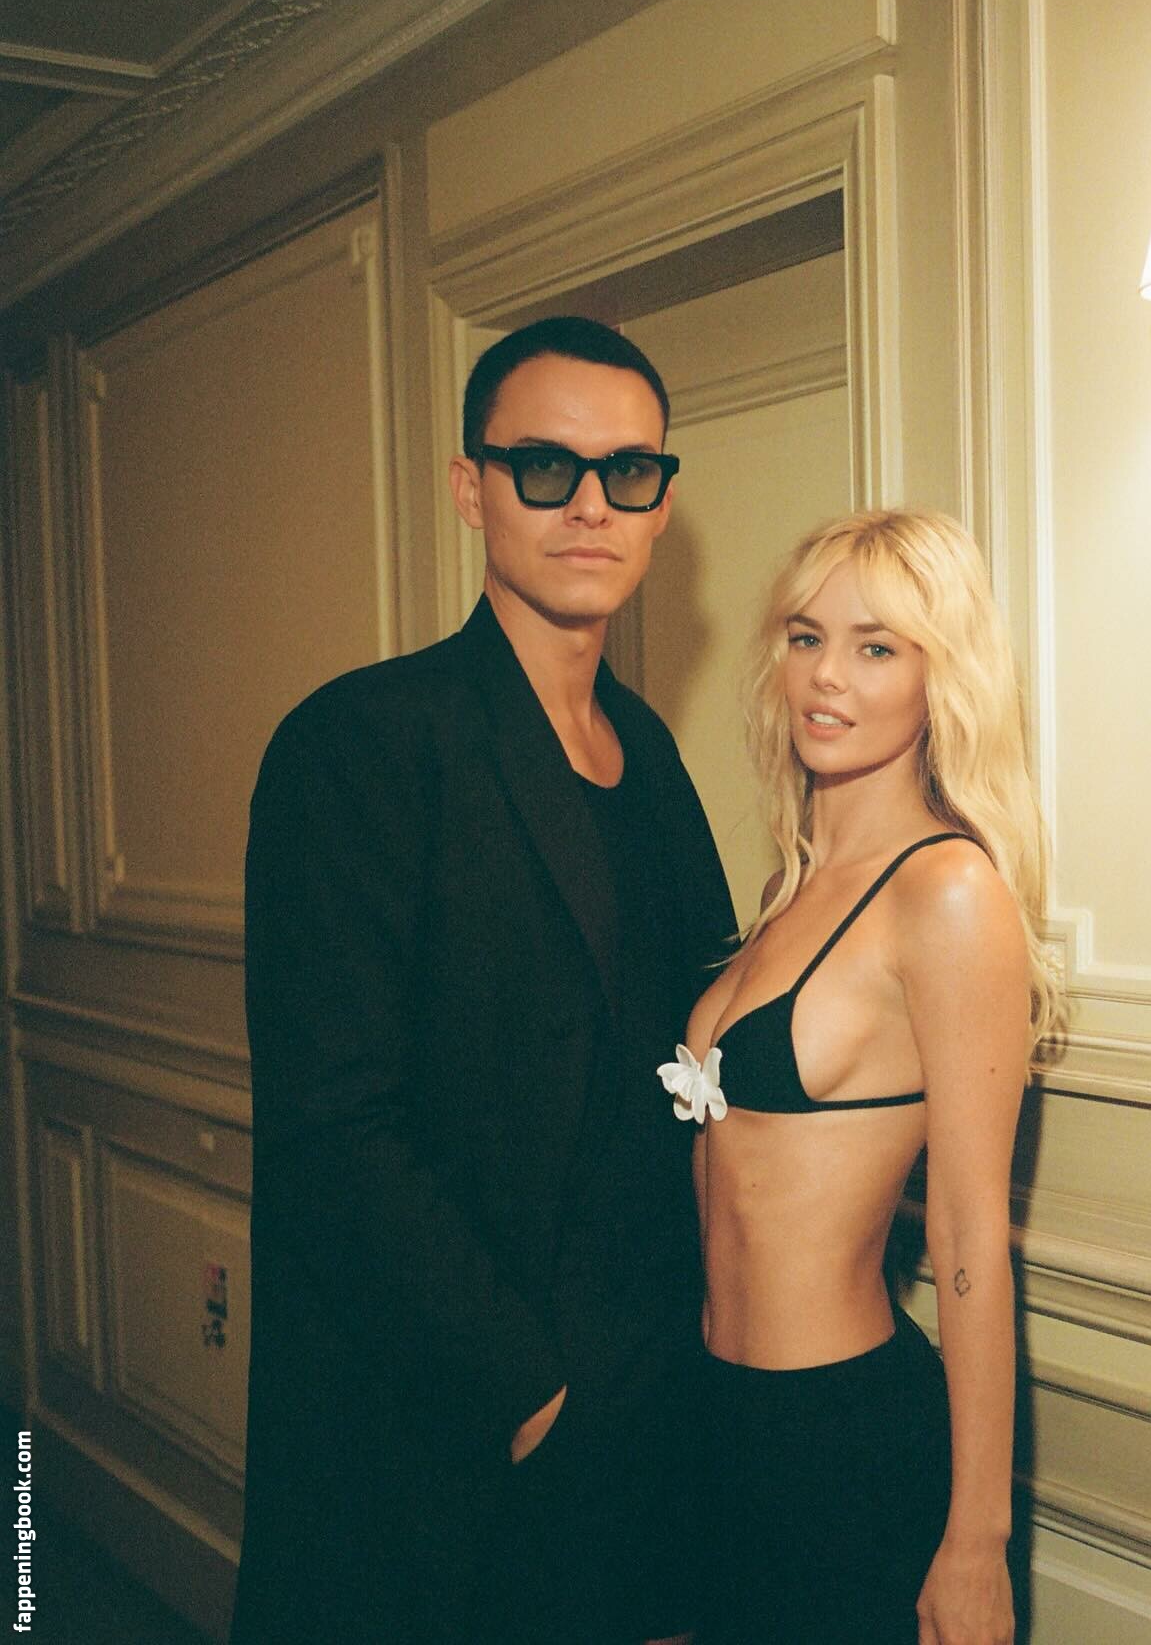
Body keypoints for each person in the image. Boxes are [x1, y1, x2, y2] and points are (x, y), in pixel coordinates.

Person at [232, 316, 735, 1645]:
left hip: (644, 1387)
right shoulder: (361, 741)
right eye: (545, 467)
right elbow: (334, 1126)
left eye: (629, 472)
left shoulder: (652, 756)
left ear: (660, 503)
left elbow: (694, 1055)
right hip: (456, 1419)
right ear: (472, 488)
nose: (591, 505)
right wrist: (528, 1394)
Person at [660, 508, 1059, 1645]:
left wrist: (976, 1540)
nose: (826, 676)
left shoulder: (948, 893)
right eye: (806, 637)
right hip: (716, 1413)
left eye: (876, 647)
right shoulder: (793, 883)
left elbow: (971, 1234)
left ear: (943, 679)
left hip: (837, 1436)